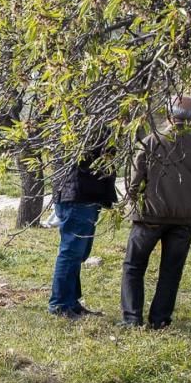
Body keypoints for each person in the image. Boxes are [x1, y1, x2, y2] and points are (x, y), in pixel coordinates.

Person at [120, 96, 191, 329]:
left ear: (168, 115)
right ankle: (160, 321)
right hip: (184, 220)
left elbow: (134, 184)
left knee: (133, 267)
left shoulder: (152, 142)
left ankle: (132, 319)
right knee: (171, 272)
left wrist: (133, 205)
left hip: (150, 217)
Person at [48, 135, 118, 319]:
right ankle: (60, 305)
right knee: (71, 252)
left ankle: (70, 302)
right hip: (78, 194)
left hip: (83, 195)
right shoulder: (83, 123)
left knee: (78, 253)